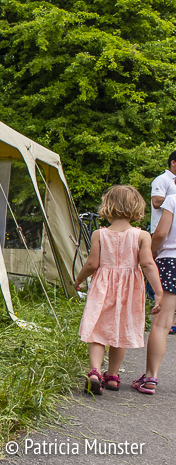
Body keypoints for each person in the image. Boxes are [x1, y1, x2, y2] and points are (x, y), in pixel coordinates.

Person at [74, 185, 162, 395]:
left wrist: (79, 279)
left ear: (108, 205)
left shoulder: (99, 234)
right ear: (136, 207)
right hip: (129, 291)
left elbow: (92, 264)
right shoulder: (142, 236)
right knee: (120, 332)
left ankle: (95, 372)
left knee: (97, 331)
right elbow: (147, 264)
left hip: (102, 288)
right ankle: (112, 376)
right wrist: (158, 292)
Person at [134, 185, 176, 394]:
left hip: (171, 262)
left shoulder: (173, 199)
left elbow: (160, 233)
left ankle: (151, 377)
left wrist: (149, 251)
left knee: (162, 324)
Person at [150, 150, 176, 333]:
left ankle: (170, 320)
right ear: (173, 162)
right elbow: (156, 201)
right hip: (162, 235)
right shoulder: (162, 179)